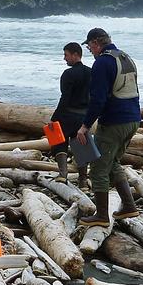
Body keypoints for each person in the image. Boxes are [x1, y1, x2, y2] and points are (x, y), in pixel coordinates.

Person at [76, 27, 141, 226]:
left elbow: (98, 100)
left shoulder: (102, 63)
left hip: (114, 121)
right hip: (133, 118)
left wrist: (85, 125)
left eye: (89, 47)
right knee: (112, 162)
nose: (89, 50)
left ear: (96, 43)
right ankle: (129, 207)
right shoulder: (125, 58)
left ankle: (102, 216)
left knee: (98, 166)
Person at [50, 41, 92, 187]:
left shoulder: (68, 74)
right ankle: (83, 180)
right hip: (84, 116)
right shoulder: (91, 72)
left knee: (58, 141)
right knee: (81, 146)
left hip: (68, 115)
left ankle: (63, 174)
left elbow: (65, 97)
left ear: (75, 55)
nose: (64, 58)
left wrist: (54, 118)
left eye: (66, 55)